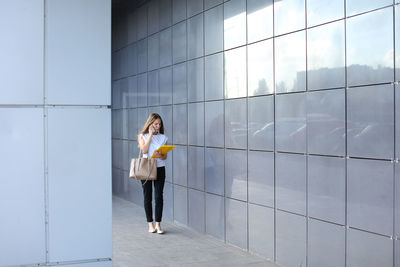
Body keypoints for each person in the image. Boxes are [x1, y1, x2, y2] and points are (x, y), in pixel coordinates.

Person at [137, 113, 168, 234]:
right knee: (147, 196)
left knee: (159, 196)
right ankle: (150, 224)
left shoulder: (163, 137)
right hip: (146, 167)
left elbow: (164, 156)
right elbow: (144, 150)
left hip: (160, 168)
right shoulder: (142, 136)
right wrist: (150, 135)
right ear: (150, 123)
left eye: (159, 124)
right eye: (155, 124)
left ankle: (158, 224)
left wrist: (160, 154)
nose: (158, 126)